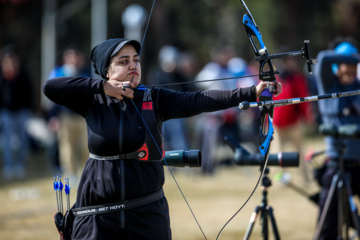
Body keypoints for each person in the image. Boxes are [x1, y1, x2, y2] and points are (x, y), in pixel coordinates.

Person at [43, 38, 282, 240]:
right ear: (107, 70)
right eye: (123, 61)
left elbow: (199, 99)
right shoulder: (93, 100)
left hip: (146, 213)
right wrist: (102, 87)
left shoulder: (153, 98)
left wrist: (251, 91)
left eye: (135, 59)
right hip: (98, 216)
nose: (133, 65)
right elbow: (51, 87)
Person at [313, 37, 360, 240]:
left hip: (359, 163)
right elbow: (323, 58)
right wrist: (353, 56)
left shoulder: (358, 85)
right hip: (337, 164)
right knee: (328, 227)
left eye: (353, 65)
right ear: (336, 65)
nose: (350, 68)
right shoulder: (328, 85)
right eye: (346, 63)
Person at [271, 53, 314, 184]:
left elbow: (303, 99)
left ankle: (305, 179)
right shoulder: (274, 78)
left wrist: (307, 117)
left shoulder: (296, 79)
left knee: (300, 151)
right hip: (277, 123)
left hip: (294, 122)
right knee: (277, 153)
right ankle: (279, 179)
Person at [47, 48, 90, 178]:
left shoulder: (86, 72)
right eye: (71, 57)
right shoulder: (57, 72)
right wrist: (53, 116)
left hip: (83, 116)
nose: (74, 60)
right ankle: (69, 174)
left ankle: (85, 173)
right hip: (64, 116)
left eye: (76, 57)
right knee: (66, 147)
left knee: (85, 147)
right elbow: (51, 96)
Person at [0, 45, 33, 180]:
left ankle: (20, 165)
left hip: (22, 112)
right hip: (7, 112)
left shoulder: (23, 74)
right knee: (7, 141)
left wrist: (28, 108)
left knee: (23, 140)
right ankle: (9, 166)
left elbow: (29, 93)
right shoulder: (2, 76)